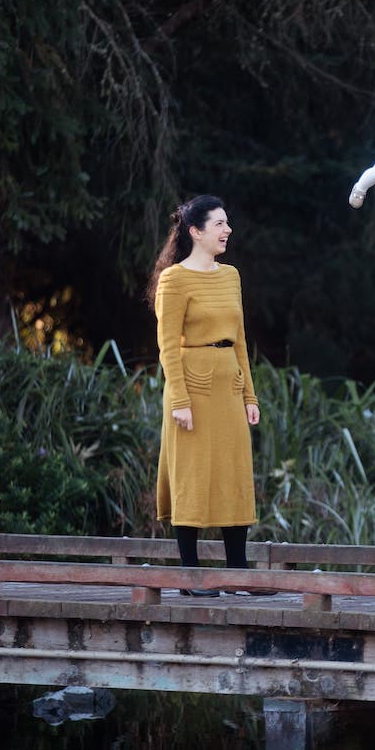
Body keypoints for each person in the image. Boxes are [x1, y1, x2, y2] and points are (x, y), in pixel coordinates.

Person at [146, 194, 271, 597]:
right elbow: (167, 347)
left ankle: (238, 574)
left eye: (227, 223)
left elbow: (239, 342)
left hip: (228, 387)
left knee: (235, 476)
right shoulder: (174, 279)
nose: (227, 230)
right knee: (193, 477)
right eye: (219, 223)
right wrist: (179, 401)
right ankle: (191, 576)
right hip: (192, 390)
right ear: (196, 232)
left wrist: (249, 396)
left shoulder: (230, 275)